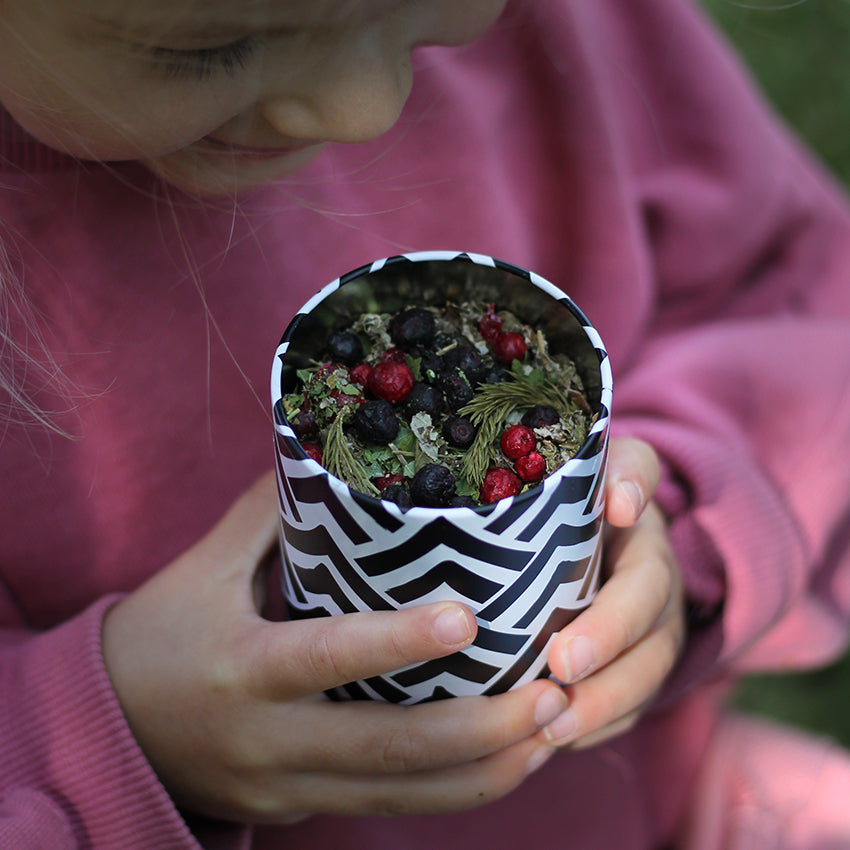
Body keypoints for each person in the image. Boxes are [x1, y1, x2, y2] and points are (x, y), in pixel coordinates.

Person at [1, 0, 850, 848]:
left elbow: (806, 309)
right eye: (212, 49)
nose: (364, 107)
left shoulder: (580, 26)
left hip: (632, 797)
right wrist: (101, 742)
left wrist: (682, 526)